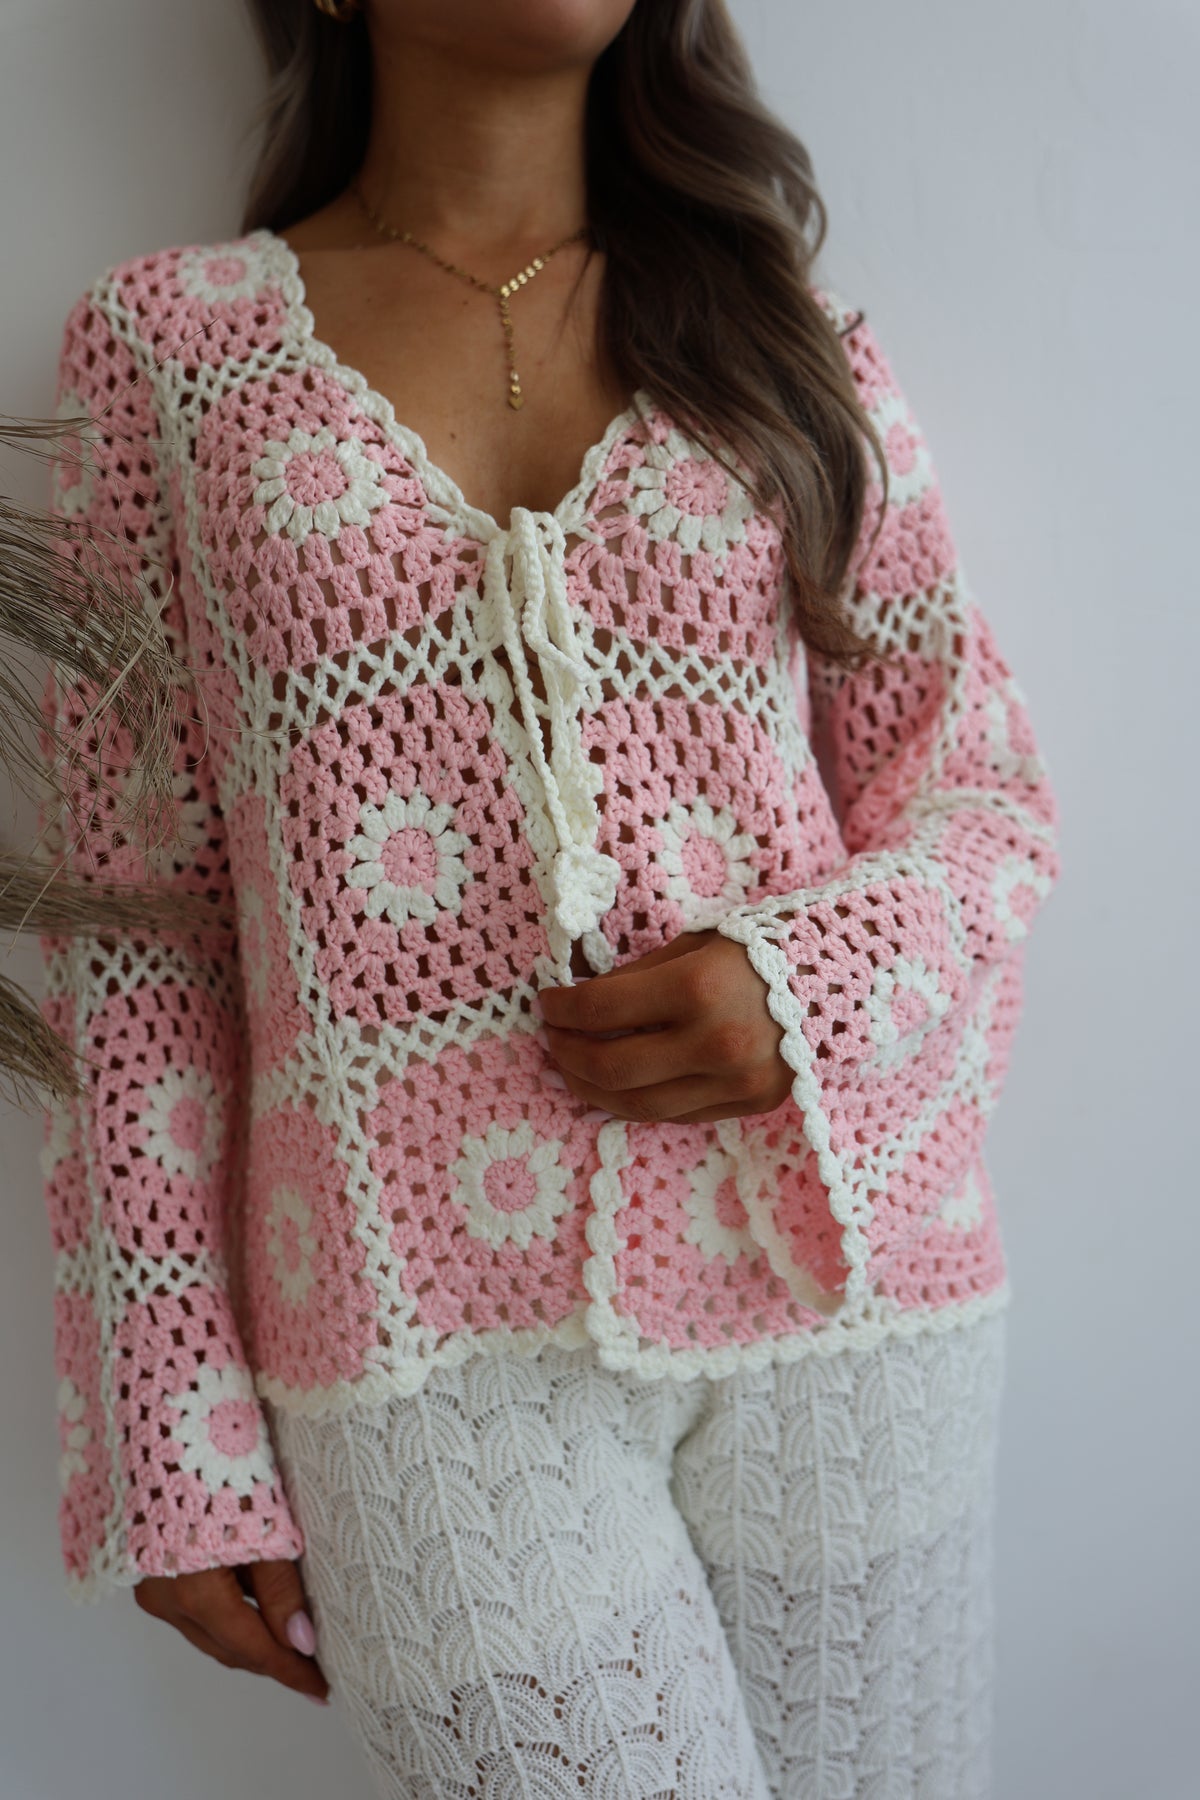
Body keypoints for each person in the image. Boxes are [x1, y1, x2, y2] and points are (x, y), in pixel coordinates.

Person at [38, 1, 1061, 1794]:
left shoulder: (794, 344)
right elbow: (136, 922)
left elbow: (978, 790)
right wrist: (169, 1420)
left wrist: (806, 985)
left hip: (853, 1291)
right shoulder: (172, 354)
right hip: (414, 1333)